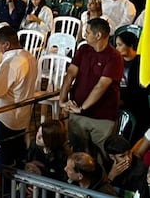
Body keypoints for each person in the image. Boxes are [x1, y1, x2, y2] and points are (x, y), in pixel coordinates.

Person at [59, 17, 123, 162]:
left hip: (102, 118)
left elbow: (101, 86)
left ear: (98, 35)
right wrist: (62, 101)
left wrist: (82, 108)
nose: (84, 35)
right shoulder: (83, 49)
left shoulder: (114, 57)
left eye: (87, 32)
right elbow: (70, 74)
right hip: (77, 114)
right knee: (77, 155)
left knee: (101, 158)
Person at [0, 26, 38, 166]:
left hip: (6, 118)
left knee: (4, 159)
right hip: (23, 115)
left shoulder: (11, 63)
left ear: (6, 45)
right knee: (17, 155)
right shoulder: (30, 56)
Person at [115, 31, 149, 143]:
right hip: (118, 100)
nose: (117, 48)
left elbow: (141, 90)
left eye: (120, 45)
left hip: (136, 105)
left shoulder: (141, 63)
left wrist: (123, 101)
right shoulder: (116, 61)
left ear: (131, 46)